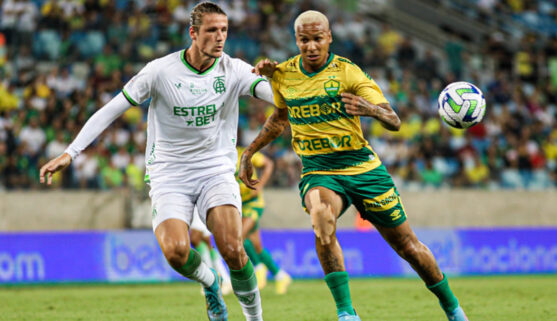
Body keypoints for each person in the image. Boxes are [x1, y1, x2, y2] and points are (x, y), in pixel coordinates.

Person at [40, 2, 273, 321]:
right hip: (169, 175)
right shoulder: (160, 71)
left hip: (215, 171)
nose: (220, 38)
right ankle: (210, 281)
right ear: (193, 33)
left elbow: (274, 95)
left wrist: (281, 84)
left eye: (224, 30)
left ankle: (255, 319)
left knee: (233, 248)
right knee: (177, 252)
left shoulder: (233, 70)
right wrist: (71, 152)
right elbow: (112, 109)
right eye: (211, 31)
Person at [240, 10, 468, 321]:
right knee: (321, 218)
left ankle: (452, 308)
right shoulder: (282, 74)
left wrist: (370, 109)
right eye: (304, 40)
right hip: (319, 170)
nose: (310, 46)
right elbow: (281, 118)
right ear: (296, 40)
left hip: (363, 169)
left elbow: (394, 120)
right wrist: (250, 151)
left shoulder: (348, 73)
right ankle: (347, 313)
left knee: (408, 247)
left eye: (317, 38)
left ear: (329, 37)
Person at [236, 143, 292, 294]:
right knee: (256, 245)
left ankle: (259, 268)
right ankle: (281, 276)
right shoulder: (220, 157)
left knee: (239, 236)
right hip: (238, 204)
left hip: (253, 202)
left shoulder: (243, 154)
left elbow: (268, 164)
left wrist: (260, 185)